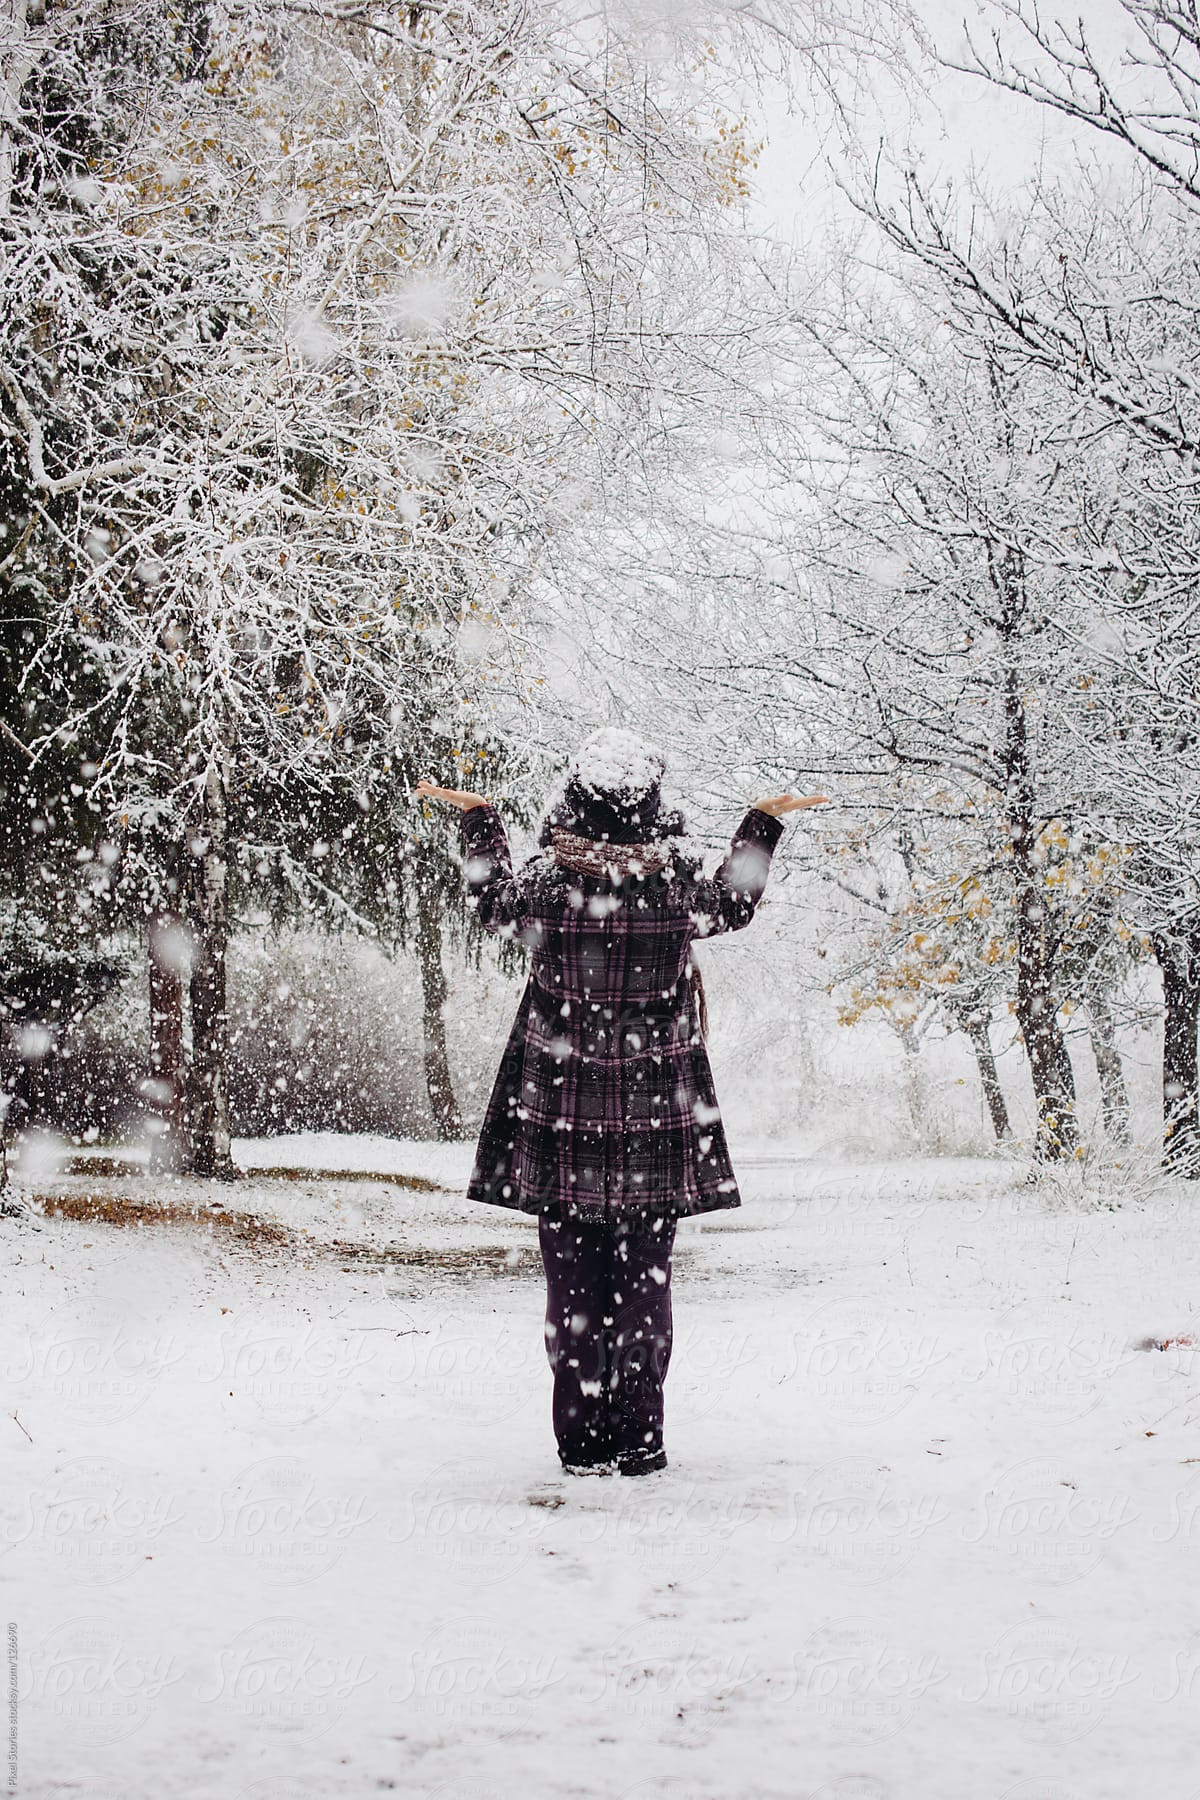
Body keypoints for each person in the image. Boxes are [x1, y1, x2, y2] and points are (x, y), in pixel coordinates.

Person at [416, 729, 827, 1477]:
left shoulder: (547, 885)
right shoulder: (672, 886)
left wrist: (479, 818)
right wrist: (762, 822)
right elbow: (735, 903)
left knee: (573, 1288)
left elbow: (490, 900)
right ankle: (639, 1440)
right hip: (654, 1124)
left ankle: (581, 1443)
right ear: (650, 802)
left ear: (574, 797)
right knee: (644, 1287)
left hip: (561, 1120)